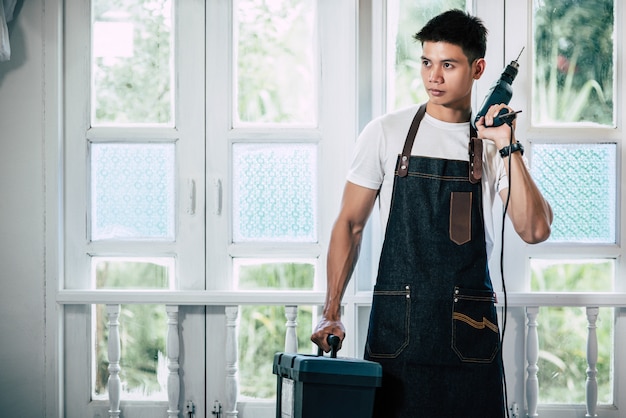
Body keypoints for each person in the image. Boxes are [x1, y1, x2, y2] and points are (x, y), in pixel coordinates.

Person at [310, 9, 553, 418]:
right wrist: (330, 312)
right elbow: (350, 225)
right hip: (397, 335)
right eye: (426, 62)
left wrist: (507, 143)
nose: (433, 77)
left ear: (478, 69)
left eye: (448, 65)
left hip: (470, 336)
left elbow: (534, 229)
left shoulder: (492, 145)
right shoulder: (386, 133)